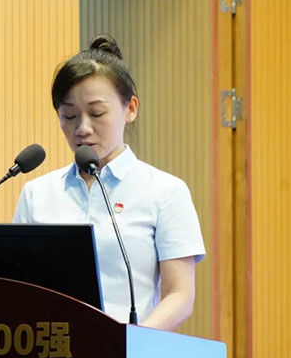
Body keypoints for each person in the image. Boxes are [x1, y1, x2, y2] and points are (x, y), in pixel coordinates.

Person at [12, 34, 205, 331]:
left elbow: (180, 295)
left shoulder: (165, 192)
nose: (82, 128)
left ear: (131, 108)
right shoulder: (36, 194)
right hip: (52, 347)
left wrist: (132, 343)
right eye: (69, 115)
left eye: (97, 113)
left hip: (129, 351)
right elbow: (18, 284)